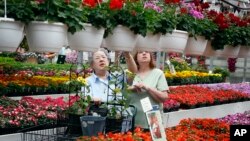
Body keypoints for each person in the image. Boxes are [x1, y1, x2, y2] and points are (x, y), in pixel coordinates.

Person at [128, 51, 169, 129]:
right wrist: (131, 88)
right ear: (135, 58)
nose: (144, 53)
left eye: (147, 52)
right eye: (140, 52)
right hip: (132, 119)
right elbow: (120, 93)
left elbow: (164, 97)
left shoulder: (158, 73)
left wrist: (148, 88)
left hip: (153, 118)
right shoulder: (130, 74)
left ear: (150, 57)